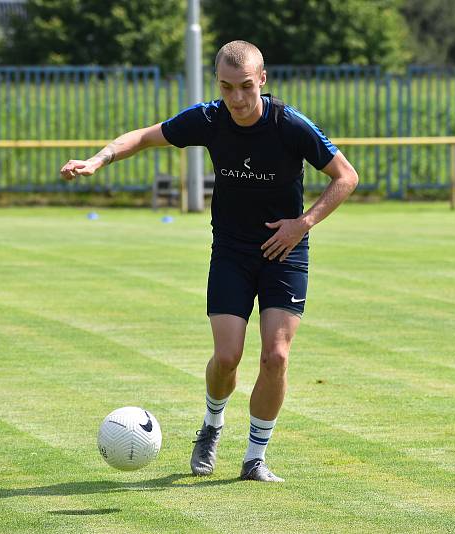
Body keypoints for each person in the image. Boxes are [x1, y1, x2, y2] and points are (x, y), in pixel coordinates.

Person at [60, 40, 358, 482]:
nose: (236, 99)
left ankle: (255, 457)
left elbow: (346, 177)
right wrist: (98, 159)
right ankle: (212, 425)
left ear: (262, 80)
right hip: (232, 253)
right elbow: (145, 136)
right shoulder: (209, 118)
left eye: (244, 87)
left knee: (275, 357)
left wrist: (303, 223)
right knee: (228, 356)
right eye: (226, 87)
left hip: (285, 252)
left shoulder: (289, 124)